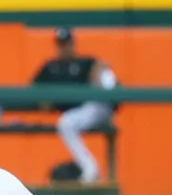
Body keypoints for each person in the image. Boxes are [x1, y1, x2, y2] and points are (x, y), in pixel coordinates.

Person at [32, 27, 117, 184]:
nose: (64, 48)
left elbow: (102, 65)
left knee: (106, 77)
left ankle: (90, 169)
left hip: (97, 108)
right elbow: (34, 90)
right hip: (77, 113)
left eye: (67, 44)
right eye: (61, 44)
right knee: (66, 123)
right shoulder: (51, 67)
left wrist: (98, 69)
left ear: (73, 44)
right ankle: (90, 168)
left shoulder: (85, 62)